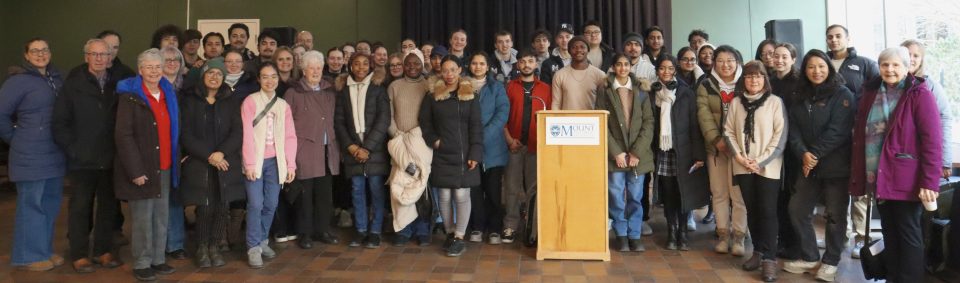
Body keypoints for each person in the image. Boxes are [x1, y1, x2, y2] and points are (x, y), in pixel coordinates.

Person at [849, 47, 942, 283]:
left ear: (907, 67)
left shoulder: (920, 94)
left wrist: (929, 181)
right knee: (890, 231)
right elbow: (861, 134)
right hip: (877, 175)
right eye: (884, 65)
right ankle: (893, 278)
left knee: (908, 233)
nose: (889, 69)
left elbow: (932, 141)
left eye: (895, 65)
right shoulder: (871, 91)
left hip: (906, 177)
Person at [782, 49, 855, 282]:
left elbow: (838, 131)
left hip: (836, 167)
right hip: (807, 166)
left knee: (835, 216)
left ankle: (831, 261)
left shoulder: (843, 94)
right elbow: (792, 129)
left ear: (829, 68)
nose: (816, 71)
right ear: (805, 70)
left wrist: (812, 154)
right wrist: (803, 153)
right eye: (811, 67)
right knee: (797, 210)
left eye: (821, 66)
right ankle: (810, 256)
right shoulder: (799, 96)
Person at [52, 38, 124, 273]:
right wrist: (73, 151)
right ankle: (80, 254)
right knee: (80, 208)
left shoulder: (119, 84)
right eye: (94, 54)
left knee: (107, 208)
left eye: (104, 54)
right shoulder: (73, 84)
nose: (99, 58)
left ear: (110, 58)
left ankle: (103, 251)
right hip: (82, 160)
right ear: (86, 57)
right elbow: (59, 123)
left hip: (110, 158)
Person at [113, 48, 180, 281]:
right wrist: (136, 170)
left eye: (157, 67)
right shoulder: (130, 97)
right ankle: (142, 262)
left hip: (164, 165)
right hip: (141, 168)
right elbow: (123, 136)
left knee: (161, 217)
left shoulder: (168, 93)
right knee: (142, 218)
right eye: (148, 67)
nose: (154, 71)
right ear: (140, 70)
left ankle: (158, 259)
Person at [0, 38, 66, 272]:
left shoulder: (57, 78)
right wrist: (16, 138)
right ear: (26, 55)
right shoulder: (17, 81)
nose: (41, 54)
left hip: (55, 154)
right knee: (31, 205)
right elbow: (1, 115)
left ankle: (44, 250)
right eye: (35, 51)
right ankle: (27, 255)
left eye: (45, 50)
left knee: (50, 204)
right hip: (29, 155)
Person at [723, 61, 787, 282]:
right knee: (751, 209)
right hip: (742, 165)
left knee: (768, 211)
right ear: (743, 80)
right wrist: (740, 157)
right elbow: (728, 131)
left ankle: (769, 259)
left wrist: (759, 161)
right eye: (749, 76)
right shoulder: (736, 103)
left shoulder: (775, 102)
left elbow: (780, 136)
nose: (753, 80)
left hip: (767, 166)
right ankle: (758, 251)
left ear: (765, 80)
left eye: (758, 76)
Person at [177, 58, 243, 268]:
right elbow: (185, 135)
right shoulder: (190, 100)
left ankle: (215, 246)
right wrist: (210, 155)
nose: (214, 77)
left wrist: (221, 153)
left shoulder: (231, 101)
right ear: (203, 76)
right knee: (204, 207)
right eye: (210, 73)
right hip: (200, 162)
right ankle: (202, 247)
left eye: (219, 74)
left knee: (222, 206)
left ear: (224, 78)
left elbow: (237, 132)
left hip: (225, 162)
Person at [825, 24, 879, 258]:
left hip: (859, 135)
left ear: (848, 38)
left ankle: (861, 238)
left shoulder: (865, 64)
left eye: (838, 36)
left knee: (860, 190)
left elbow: (877, 95)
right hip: (831, 136)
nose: (834, 40)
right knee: (835, 188)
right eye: (830, 37)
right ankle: (841, 235)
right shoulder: (822, 63)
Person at [419, 55, 482, 257]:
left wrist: (475, 152)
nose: (449, 74)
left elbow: (476, 126)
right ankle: (449, 233)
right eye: (445, 70)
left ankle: (460, 236)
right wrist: (435, 141)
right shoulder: (432, 96)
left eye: (453, 70)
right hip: (441, 153)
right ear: (440, 72)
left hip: (465, 155)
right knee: (444, 196)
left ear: (459, 70)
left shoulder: (470, 94)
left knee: (462, 195)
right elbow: (425, 123)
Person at [240, 62, 298, 268]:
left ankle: (263, 240)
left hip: (276, 162)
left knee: (271, 204)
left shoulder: (283, 105)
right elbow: (246, 134)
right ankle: (253, 246)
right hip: (255, 160)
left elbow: (290, 136)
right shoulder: (250, 102)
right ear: (258, 79)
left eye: (273, 76)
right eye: (265, 76)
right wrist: (248, 162)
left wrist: (291, 165)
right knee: (255, 204)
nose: (270, 80)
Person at [595, 54, 654, 252]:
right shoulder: (605, 90)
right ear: (613, 67)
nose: (622, 68)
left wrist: (636, 152)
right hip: (616, 155)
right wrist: (617, 153)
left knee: (636, 196)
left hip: (639, 155)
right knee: (616, 195)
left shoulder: (642, 90)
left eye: (626, 64)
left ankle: (634, 234)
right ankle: (621, 234)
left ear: (631, 66)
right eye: (618, 64)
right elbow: (601, 122)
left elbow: (649, 122)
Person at [650, 55, 709, 251]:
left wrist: (698, 154)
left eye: (670, 68)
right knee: (668, 194)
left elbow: (695, 125)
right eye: (662, 68)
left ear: (675, 70)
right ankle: (671, 231)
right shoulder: (652, 93)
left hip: (683, 151)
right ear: (657, 70)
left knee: (683, 193)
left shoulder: (686, 93)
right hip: (663, 151)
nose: (666, 72)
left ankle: (683, 232)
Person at [284, 50, 341, 249]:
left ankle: (323, 229)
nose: (316, 71)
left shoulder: (330, 90)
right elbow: (286, 124)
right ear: (303, 70)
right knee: (305, 196)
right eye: (311, 68)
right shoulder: (293, 92)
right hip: (304, 150)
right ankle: (305, 233)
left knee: (324, 194)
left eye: (319, 67)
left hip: (328, 149)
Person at [334, 53, 391, 249]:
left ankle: (374, 231)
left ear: (371, 66)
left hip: (374, 150)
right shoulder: (342, 90)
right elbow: (339, 122)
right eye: (356, 64)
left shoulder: (378, 89)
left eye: (365, 64)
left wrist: (367, 147)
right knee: (357, 191)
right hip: (353, 150)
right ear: (350, 66)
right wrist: (351, 146)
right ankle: (360, 230)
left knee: (376, 190)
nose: (360, 67)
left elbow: (383, 121)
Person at [697, 45, 748, 257]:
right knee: (718, 193)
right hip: (716, 149)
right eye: (720, 61)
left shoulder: (747, 83)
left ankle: (739, 236)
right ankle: (723, 234)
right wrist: (717, 140)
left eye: (730, 60)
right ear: (713, 63)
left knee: (739, 195)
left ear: (737, 62)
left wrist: (736, 145)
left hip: (741, 150)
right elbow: (703, 114)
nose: (725, 65)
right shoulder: (706, 85)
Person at [502, 50, 551, 244]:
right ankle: (510, 226)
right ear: (517, 65)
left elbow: (552, 116)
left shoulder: (546, 88)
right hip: (513, 145)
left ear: (536, 64)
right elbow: (502, 117)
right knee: (512, 188)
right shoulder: (509, 87)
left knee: (534, 188)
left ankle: (533, 228)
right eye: (522, 61)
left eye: (530, 61)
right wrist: (508, 140)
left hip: (537, 145)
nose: (526, 65)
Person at [386, 49, 434, 247]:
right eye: (408, 63)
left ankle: (422, 228)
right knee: (401, 182)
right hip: (399, 141)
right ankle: (404, 228)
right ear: (403, 65)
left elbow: (432, 115)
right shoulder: (394, 86)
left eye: (417, 63)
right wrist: (397, 135)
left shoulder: (428, 86)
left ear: (423, 65)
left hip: (421, 141)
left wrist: (417, 136)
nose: (412, 67)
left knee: (420, 183)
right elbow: (388, 115)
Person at [464, 52, 509, 244]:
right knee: (474, 191)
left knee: (492, 191)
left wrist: (481, 137)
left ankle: (495, 229)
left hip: (493, 149)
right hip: (468, 148)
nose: (478, 66)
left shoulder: (496, 87)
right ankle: (477, 227)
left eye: (482, 63)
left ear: (488, 67)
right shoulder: (461, 86)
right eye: (474, 63)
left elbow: (502, 113)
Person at [901, 40, 953, 180]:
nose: (911, 59)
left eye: (916, 56)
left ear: (922, 60)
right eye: (907, 54)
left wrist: (945, 161)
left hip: (924, 156)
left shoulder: (931, 86)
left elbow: (945, 120)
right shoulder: (889, 85)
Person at [550, 36, 605, 110]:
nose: (578, 50)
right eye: (574, 47)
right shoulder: (559, 75)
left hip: (592, 121)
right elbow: (556, 104)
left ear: (588, 50)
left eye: (582, 47)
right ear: (569, 51)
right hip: (566, 121)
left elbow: (603, 104)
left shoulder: (600, 75)